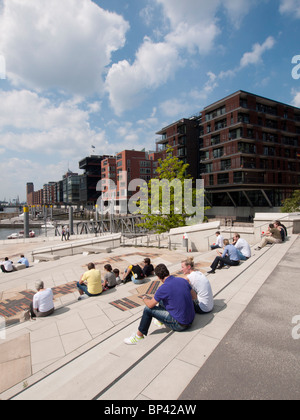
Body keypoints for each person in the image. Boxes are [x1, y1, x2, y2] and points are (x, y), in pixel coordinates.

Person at [124, 264, 195, 345]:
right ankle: (159, 321)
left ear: (158, 277)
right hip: (191, 319)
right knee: (162, 300)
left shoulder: (163, 288)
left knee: (147, 310)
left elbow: (150, 305)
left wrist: (145, 299)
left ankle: (138, 336)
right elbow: (194, 296)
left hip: (180, 324)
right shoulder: (182, 280)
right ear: (167, 271)